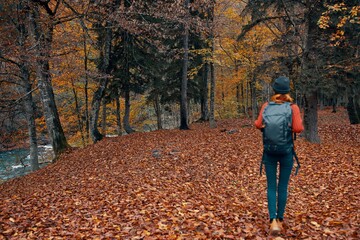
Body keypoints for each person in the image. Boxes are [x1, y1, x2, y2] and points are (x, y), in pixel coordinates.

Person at [254, 76, 304, 235]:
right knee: (282, 186)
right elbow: (298, 129)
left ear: (274, 91)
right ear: (287, 91)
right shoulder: (292, 107)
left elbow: (257, 124)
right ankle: (280, 219)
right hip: (286, 152)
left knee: (271, 186)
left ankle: (272, 221)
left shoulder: (266, 106)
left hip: (269, 151)